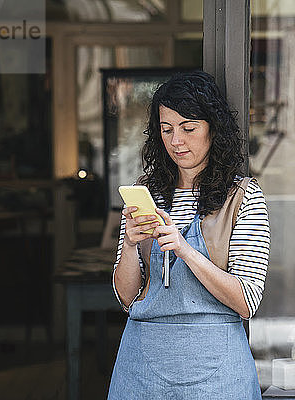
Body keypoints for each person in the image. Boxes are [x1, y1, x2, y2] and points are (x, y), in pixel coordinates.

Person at [108, 71, 270, 399]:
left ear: (213, 128)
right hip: (142, 362)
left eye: (188, 128)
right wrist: (130, 244)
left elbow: (246, 301)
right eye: (166, 130)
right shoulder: (146, 192)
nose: (176, 141)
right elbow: (126, 298)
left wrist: (185, 250)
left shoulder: (243, 196)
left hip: (217, 367)